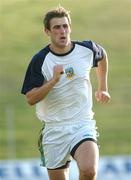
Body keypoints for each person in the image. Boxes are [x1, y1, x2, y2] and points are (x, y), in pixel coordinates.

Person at [21, 6, 110, 180]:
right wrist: (53, 81)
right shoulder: (40, 60)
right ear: (47, 31)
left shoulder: (86, 49)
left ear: (70, 27)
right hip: (54, 130)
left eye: (65, 26)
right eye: (56, 27)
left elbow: (102, 56)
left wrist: (103, 87)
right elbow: (31, 98)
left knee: (89, 170)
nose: (62, 31)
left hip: (82, 123)